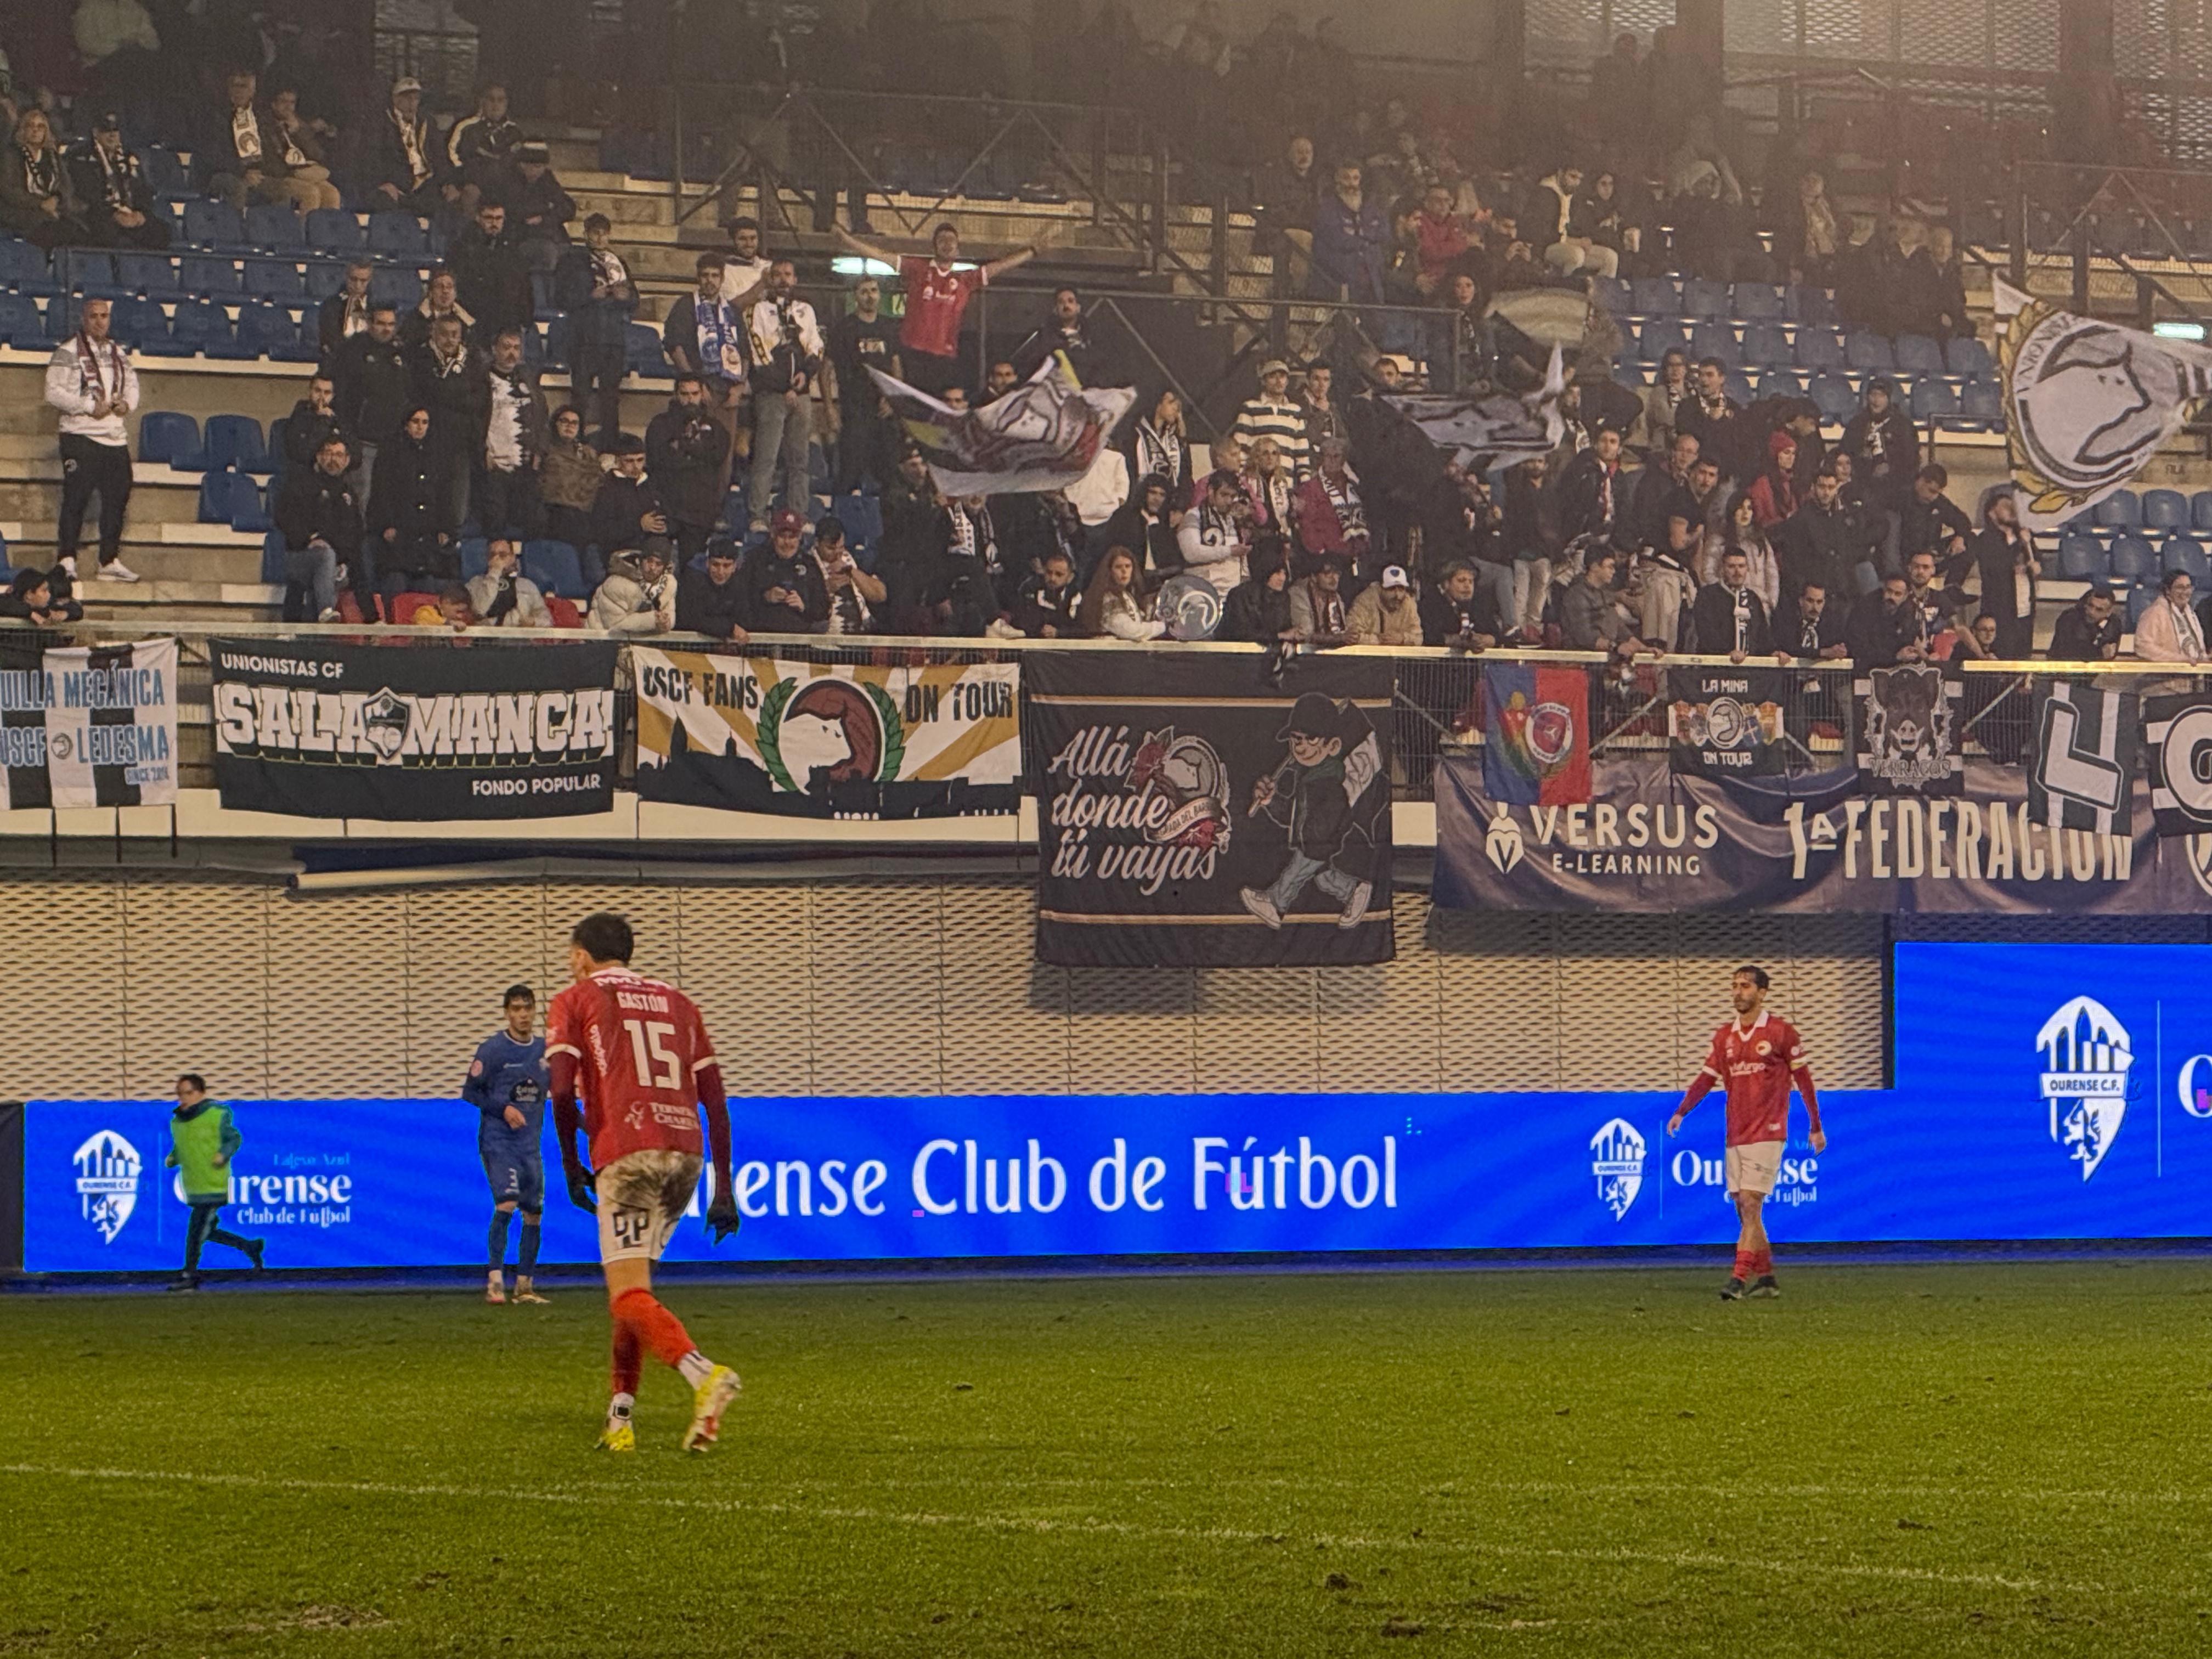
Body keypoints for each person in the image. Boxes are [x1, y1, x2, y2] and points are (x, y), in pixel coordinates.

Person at [546, 911, 741, 1454]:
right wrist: (724, 1188)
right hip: (685, 1155)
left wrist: (570, 1163)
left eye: (571, 953)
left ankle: (704, 1374)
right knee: (637, 1296)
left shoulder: (575, 998)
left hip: (628, 1152)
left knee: (626, 1295)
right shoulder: (680, 1003)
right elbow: (716, 1102)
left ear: (582, 955)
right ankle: (620, 1419)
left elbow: (561, 1092)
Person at [1667, 966, 1825, 1301]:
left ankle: (1737, 1279)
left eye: (1746, 986)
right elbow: (1707, 1078)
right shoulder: (1725, 1036)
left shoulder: (1781, 1032)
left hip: (1768, 1130)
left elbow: (1805, 1080)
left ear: (1762, 993)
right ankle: (1766, 1278)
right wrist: (1682, 1110)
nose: (1738, 992)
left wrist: (1815, 1126)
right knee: (1743, 1206)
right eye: (1735, 986)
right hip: (1736, 1132)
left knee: (1752, 1203)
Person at [834, 219, 1042, 398]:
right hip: (912, 356)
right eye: (942, 240)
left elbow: (1000, 267)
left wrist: (1031, 252)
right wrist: (847, 239)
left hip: (945, 360)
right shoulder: (918, 270)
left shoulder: (965, 280)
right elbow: (882, 255)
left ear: (958, 249)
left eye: (952, 241)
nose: (947, 244)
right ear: (934, 247)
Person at [464, 983, 549, 1305]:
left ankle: (524, 1286)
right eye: (516, 1009)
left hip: (530, 1145)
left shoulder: (544, 1051)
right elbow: (470, 1092)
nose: (523, 1015)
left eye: (527, 1008)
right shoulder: (493, 1050)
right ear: (507, 1013)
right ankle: (495, 1282)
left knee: (534, 1213)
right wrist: (504, 1109)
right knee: (507, 1203)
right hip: (499, 1141)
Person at [43, 297, 139, 583]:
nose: (100, 321)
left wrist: (127, 406)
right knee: (77, 497)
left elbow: (133, 386)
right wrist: (86, 406)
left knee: (117, 499)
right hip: (80, 435)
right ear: (84, 320)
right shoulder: (68, 351)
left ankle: (108, 561)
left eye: (104, 316)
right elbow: (52, 392)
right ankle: (67, 559)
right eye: (94, 316)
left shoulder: (118, 353)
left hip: (114, 437)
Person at [742, 258, 825, 529]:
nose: (782, 280)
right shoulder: (757, 310)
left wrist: (804, 378)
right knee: (767, 456)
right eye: (777, 275)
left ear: (795, 279)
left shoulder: (806, 310)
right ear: (769, 279)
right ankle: (757, 514)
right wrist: (784, 387)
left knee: (800, 458)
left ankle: (797, 515)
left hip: (800, 394)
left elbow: (816, 347)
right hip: (771, 394)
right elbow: (758, 353)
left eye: (787, 275)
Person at [164, 1074, 266, 1292]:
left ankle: (189, 1274)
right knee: (206, 1231)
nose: (183, 1098)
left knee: (195, 1231)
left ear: (201, 1093)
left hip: (212, 1183)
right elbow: (186, 1146)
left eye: (188, 1093)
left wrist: (223, 1154)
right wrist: (175, 1157)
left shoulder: (217, 1114)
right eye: (180, 1093)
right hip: (193, 1183)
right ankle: (250, 1246)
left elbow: (234, 1138)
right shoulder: (178, 1122)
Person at [553, 215, 637, 445]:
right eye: (595, 232)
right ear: (586, 233)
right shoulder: (571, 260)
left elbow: (635, 301)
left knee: (610, 400)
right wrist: (589, 296)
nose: (600, 237)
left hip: (613, 339)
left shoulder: (618, 262)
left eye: (604, 232)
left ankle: (610, 449)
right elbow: (559, 297)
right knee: (580, 397)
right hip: (584, 337)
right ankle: (573, 446)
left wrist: (626, 297)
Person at [368, 408, 458, 613]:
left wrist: (446, 528)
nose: (420, 426)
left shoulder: (437, 454)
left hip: (427, 544)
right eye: (416, 421)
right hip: (398, 540)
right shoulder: (391, 452)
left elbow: (444, 495)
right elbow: (381, 491)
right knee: (396, 588)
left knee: (427, 600)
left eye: (425, 422)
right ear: (406, 424)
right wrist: (386, 525)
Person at [825, 274, 901, 494]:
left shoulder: (889, 327)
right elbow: (827, 367)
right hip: (854, 408)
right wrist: (830, 407)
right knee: (851, 469)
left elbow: (896, 364)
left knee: (888, 473)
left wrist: (893, 398)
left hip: (883, 409)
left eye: (874, 291)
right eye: (864, 291)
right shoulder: (844, 328)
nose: (870, 296)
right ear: (855, 296)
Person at [274, 432, 363, 622]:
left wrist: (344, 562)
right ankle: (326, 610)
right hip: (298, 556)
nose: (333, 460)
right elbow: (284, 518)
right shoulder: (299, 484)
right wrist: (310, 539)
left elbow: (355, 534)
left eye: (339, 455)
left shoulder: (349, 494)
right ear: (319, 457)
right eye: (329, 454)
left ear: (347, 460)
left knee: (337, 567)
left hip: (332, 563)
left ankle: (319, 631)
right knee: (325, 555)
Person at [644, 374, 732, 557]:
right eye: (685, 394)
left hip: (699, 512)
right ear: (676, 395)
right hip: (667, 507)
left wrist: (681, 447)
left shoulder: (716, 428)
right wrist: (698, 453)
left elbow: (717, 457)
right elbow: (659, 460)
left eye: (694, 393)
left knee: (691, 570)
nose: (690, 398)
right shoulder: (659, 424)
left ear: (702, 394)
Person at [332, 304, 411, 506]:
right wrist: (349, 433)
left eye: (391, 324)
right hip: (362, 440)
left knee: (388, 500)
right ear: (369, 323)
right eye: (381, 324)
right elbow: (342, 395)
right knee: (360, 497)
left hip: (392, 440)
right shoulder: (353, 350)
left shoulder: (400, 353)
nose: (387, 329)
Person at [479, 327, 549, 541]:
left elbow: (542, 416)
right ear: (494, 350)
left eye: (517, 348)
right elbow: (473, 421)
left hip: (526, 466)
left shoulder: (528, 380)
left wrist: (539, 451)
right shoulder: (481, 379)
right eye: (506, 347)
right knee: (495, 524)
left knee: (533, 523)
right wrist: (482, 451)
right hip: (495, 465)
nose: (512, 353)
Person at [67, 111, 166, 249]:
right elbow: (87, 194)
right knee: (106, 232)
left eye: (115, 130)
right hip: (100, 216)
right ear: (96, 132)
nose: (112, 135)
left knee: (162, 231)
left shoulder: (130, 158)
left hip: (130, 214)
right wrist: (114, 214)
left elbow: (143, 190)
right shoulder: (80, 157)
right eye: (107, 130)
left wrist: (141, 213)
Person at [660, 254, 746, 410]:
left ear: (722, 278)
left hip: (729, 386)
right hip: (695, 385)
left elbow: (745, 353)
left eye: (715, 276)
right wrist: (695, 384)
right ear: (698, 278)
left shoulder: (732, 311)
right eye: (705, 275)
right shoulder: (685, 306)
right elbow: (675, 347)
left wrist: (739, 388)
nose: (710, 281)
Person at [449, 201, 534, 346]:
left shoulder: (514, 252)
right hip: (474, 326)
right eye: (489, 218)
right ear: (478, 218)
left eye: (499, 218)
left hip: (508, 326)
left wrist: (525, 320)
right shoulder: (461, 249)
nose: (494, 223)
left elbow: (525, 288)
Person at [1972, 490, 2039, 660]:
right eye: (2005, 506)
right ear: (1992, 513)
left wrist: (2036, 565)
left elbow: (2037, 561)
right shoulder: (1986, 539)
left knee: (2023, 657)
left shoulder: (2024, 537)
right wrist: (2020, 545)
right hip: (2000, 611)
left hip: (2024, 609)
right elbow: (1995, 567)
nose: (2012, 510)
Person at [740, 508, 830, 633]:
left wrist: (804, 607)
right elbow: (740, 601)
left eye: (792, 537)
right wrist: (765, 598)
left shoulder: (810, 564)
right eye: (782, 536)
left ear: (800, 537)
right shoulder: (754, 560)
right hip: (761, 637)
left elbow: (823, 609)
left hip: (800, 640)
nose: (787, 542)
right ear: (773, 534)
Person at [366, 76, 444, 217]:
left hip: (425, 185)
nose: (412, 103)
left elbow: (439, 156)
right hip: (396, 185)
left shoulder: (427, 123)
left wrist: (447, 183)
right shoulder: (381, 123)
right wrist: (383, 183)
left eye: (416, 99)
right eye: (407, 98)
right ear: (396, 100)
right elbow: (372, 157)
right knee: (386, 203)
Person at [1310, 161, 1387, 302]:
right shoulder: (1326, 209)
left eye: (1355, 178)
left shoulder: (1371, 208)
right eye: (1346, 178)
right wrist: (1366, 240)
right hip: (1337, 281)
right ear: (1337, 180)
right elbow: (1338, 240)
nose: (1351, 184)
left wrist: (1360, 238)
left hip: (1373, 282)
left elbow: (1384, 233)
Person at [1841, 378, 1918, 512]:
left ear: (1889, 398)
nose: (1876, 400)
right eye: (1873, 395)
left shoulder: (1903, 426)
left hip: (1895, 487)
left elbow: (1911, 459)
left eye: (1881, 396)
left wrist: (1891, 468)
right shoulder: (1857, 424)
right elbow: (1844, 452)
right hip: (1862, 484)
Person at [445, 82, 523, 215]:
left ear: (507, 103)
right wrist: (453, 183)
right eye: (491, 100)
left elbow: (520, 161)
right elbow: (450, 157)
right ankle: (471, 234)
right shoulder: (466, 127)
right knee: (471, 193)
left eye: (500, 100)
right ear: (482, 102)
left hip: (504, 185)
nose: (496, 105)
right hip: (473, 183)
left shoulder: (514, 131)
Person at [1231, 359, 1313, 483]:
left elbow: (1302, 455)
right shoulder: (1250, 408)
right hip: (1257, 483)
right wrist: (1241, 482)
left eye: (1282, 376)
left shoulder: (1295, 411)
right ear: (1264, 381)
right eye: (1272, 377)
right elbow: (1241, 449)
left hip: (1286, 484)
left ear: (1287, 381)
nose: (1279, 381)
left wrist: (1306, 484)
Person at [1690, 548, 1779, 659]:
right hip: (1715, 668)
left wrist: (1773, 652)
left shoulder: (1753, 598)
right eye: (1731, 567)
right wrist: (1726, 654)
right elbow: (1706, 633)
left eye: (1742, 566)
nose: (1738, 572)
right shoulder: (1707, 595)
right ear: (1722, 569)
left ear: (1747, 569)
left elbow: (1762, 635)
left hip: (1747, 669)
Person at [1702, 489, 1782, 614]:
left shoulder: (1760, 541)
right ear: (1732, 510)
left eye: (1749, 508)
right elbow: (1707, 575)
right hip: (1728, 609)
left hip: (1760, 609)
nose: (1746, 513)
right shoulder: (1718, 541)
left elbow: (1772, 574)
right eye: (1741, 508)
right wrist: (1728, 596)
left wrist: (1770, 601)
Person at [1011, 285, 1109, 386]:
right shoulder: (1044, 335)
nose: (1066, 306)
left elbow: (1102, 363)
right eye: (1061, 302)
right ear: (1056, 310)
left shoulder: (1093, 334)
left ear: (1078, 308)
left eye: (1071, 301)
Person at [1177, 470, 1251, 599]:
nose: (1229, 501)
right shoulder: (1193, 516)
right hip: (1202, 594)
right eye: (1224, 495)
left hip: (1232, 595)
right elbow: (1191, 553)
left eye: (1232, 496)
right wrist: (1229, 551)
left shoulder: (1233, 519)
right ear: (1211, 491)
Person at [539, 405, 604, 551]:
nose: (570, 426)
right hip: (554, 514)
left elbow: (598, 481)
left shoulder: (588, 453)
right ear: (556, 424)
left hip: (583, 516)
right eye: (565, 421)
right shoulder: (545, 450)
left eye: (575, 423)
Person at [590, 538, 678, 634]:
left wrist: (665, 624)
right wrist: (653, 620)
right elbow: (613, 625)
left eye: (659, 564)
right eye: (649, 561)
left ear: (665, 567)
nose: (652, 567)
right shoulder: (617, 583)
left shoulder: (668, 586)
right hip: (600, 640)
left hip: (641, 644)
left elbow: (669, 616)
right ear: (640, 560)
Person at [1077, 546, 1164, 640]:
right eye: (1118, 567)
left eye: (1128, 566)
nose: (1124, 571)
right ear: (1110, 571)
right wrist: (1162, 626)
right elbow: (1131, 631)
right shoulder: (1107, 597)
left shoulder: (1127, 595)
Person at [1219, 537, 1294, 642]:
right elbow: (1239, 633)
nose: (1283, 578)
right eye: (1277, 573)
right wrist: (1278, 636)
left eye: (1284, 573)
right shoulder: (1241, 596)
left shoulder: (1284, 597)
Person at [675, 539, 751, 641]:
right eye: (716, 565)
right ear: (707, 564)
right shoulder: (692, 582)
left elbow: (744, 619)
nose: (721, 572)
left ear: (735, 567)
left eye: (726, 566)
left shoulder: (740, 586)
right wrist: (729, 628)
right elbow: (691, 619)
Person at [469, 538, 553, 628]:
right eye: (492, 555)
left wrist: (533, 622)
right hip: (486, 637)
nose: (497, 560)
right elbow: (479, 610)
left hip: (519, 636)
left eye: (503, 555)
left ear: (513, 558)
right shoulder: (476, 583)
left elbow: (546, 619)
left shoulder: (527, 585)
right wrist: (495, 572)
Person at [1420, 560, 1500, 647]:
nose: (1467, 586)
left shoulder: (1479, 607)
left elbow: (1499, 635)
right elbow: (1428, 636)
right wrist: (1456, 640)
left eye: (1471, 582)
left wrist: (1491, 639)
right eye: (1461, 581)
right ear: (1446, 584)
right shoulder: (1430, 605)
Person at [2135, 568, 2207, 664]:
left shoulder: (2191, 614)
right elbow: (2143, 647)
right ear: (2168, 590)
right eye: (2180, 587)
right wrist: (2180, 659)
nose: (2185, 592)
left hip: (2192, 674)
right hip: (2163, 676)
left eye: (2188, 587)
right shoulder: (2155, 612)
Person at [1009, 546, 1082, 637]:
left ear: (1070, 577)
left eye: (1059, 574)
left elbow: (1083, 628)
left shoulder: (1076, 596)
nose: (1052, 578)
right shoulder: (1031, 590)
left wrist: (1059, 632)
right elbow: (1022, 622)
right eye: (1049, 573)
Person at [1346, 563, 1423, 645]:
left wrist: (1402, 638)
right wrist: (1379, 640)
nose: (1398, 596)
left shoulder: (1409, 603)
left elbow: (1419, 638)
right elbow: (1351, 636)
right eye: (1391, 589)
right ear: (1380, 588)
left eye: (1401, 589)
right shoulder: (1365, 601)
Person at [318, 261, 376, 364]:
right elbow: (328, 337)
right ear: (346, 277)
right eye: (354, 279)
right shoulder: (331, 305)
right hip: (339, 361)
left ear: (370, 280)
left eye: (363, 281)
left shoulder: (376, 307)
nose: (358, 285)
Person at [2050, 582, 2123, 662]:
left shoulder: (2114, 624)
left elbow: (2110, 653)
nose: (2092, 612)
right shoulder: (2069, 618)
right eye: (2090, 606)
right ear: (2085, 605)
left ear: (2108, 613)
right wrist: (2099, 653)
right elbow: (2067, 652)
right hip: (2062, 670)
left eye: (2099, 610)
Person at [1288, 556, 1351, 644]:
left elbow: (1342, 630)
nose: (1334, 579)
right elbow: (1304, 634)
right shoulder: (1299, 593)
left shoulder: (1335, 596)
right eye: (1328, 574)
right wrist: (1337, 639)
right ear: (1314, 576)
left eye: (1337, 574)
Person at [1746, 431, 1798, 529]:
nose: (1791, 458)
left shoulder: (1792, 480)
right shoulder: (1762, 483)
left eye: (1794, 453)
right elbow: (1759, 519)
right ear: (1776, 454)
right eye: (1786, 453)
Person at [0, 567, 81, 625]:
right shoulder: (8, 601)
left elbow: (76, 609)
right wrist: (30, 613)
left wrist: (65, 614)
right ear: (29, 595)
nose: (49, 594)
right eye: (44, 591)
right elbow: (5, 604)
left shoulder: (43, 607)